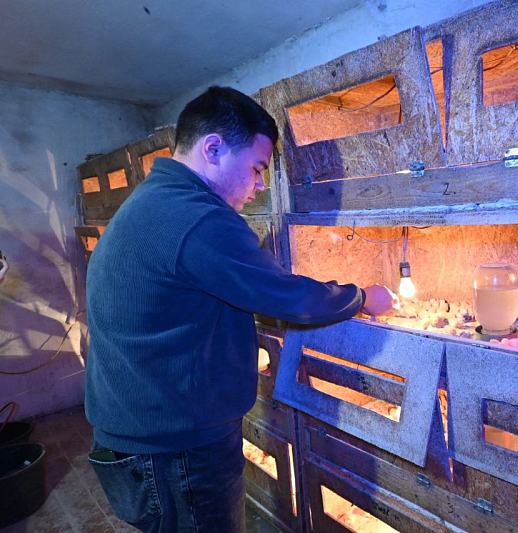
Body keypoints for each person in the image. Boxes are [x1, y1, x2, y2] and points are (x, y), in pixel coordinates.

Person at [85, 86, 393, 532]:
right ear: (213, 149)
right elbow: (288, 296)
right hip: (174, 451)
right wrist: (364, 297)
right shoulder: (198, 217)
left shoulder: (154, 200)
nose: (260, 185)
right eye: (256, 168)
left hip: (136, 435)